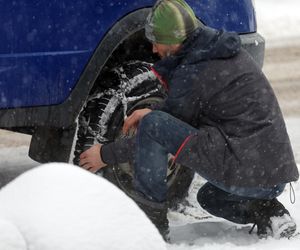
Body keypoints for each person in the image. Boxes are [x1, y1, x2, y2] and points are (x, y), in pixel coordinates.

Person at [79, 0, 299, 241]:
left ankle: (151, 225)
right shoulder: (216, 51)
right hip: (272, 175)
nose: (153, 50)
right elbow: (186, 109)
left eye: (157, 41)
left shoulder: (193, 71)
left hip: (248, 165)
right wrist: (154, 111)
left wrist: (105, 154)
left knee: (153, 128)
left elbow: (157, 135)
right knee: (211, 198)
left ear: (175, 39)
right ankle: (271, 212)